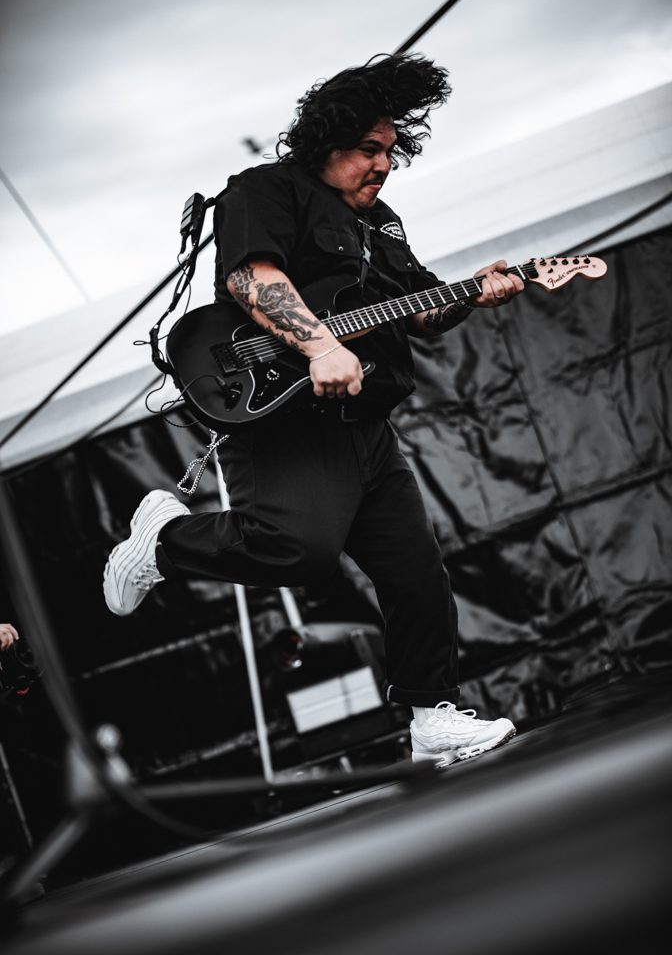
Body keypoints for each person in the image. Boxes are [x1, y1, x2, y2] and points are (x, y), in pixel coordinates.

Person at [103, 54, 524, 766]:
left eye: (391, 151)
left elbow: (420, 312)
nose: (383, 165)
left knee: (417, 573)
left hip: (367, 423)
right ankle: (166, 542)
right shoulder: (266, 189)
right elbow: (250, 276)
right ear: (327, 140)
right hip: (286, 413)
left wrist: (472, 293)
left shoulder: (381, 224)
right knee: (300, 551)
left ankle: (430, 714)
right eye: (369, 149)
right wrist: (321, 345)